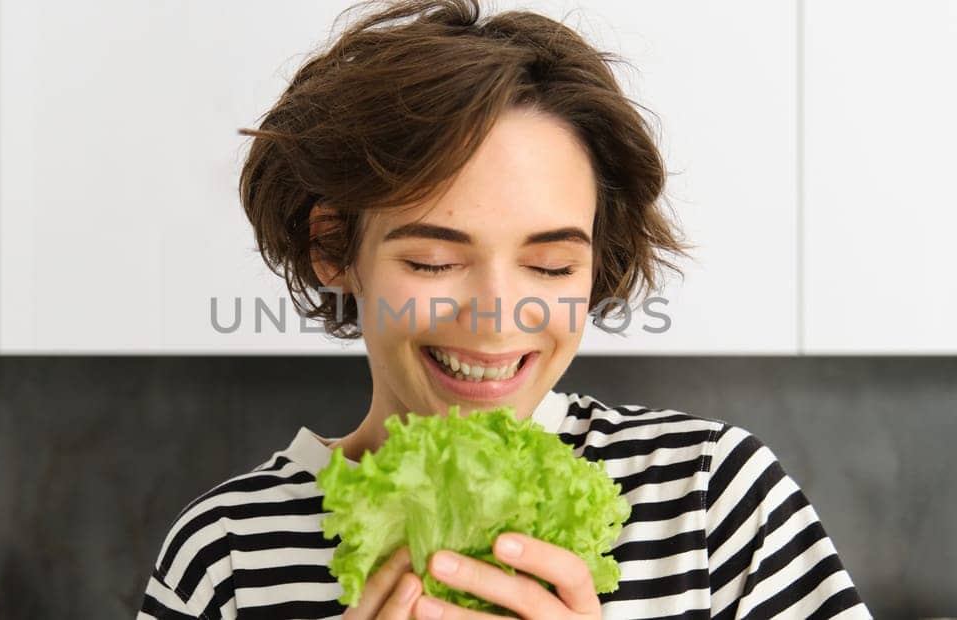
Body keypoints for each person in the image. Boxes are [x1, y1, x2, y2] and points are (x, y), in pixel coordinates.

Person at [139, 0, 870, 617]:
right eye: (433, 261)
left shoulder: (713, 499)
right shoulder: (227, 552)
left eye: (551, 265)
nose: (496, 315)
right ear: (335, 247)